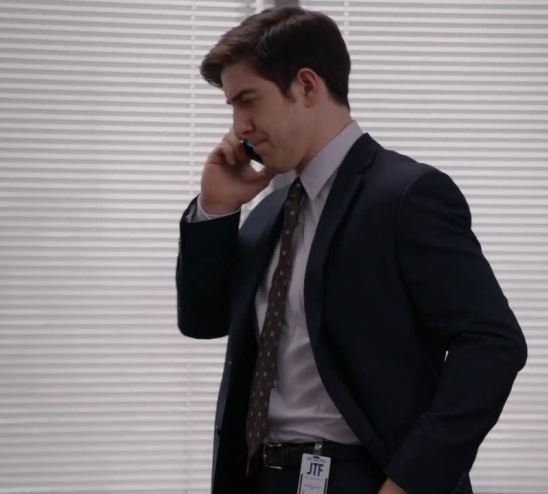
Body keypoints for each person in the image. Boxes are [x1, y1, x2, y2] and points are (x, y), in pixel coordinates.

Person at [175, 7, 527, 494]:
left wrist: (412, 481)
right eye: (232, 108)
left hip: (364, 477)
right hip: (264, 478)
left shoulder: (406, 196)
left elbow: (493, 343)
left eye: (248, 101)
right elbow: (202, 321)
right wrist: (216, 208)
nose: (239, 128)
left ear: (306, 86)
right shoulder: (271, 210)